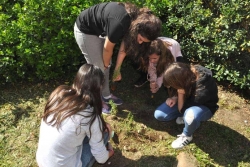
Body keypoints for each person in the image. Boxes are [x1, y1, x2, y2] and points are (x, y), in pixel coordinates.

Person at [74, 2, 162, 114]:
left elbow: (123, 50)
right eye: (140, 39)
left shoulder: (135, 22)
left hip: (100, 31)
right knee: (98, 69)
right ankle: (96, 101)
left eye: (143, 42)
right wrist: (105, 65)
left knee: (106, 64)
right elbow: (107, 49)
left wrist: (117, 69)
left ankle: (105, 95)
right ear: (137, 29)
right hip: (86, 31)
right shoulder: (120, 24)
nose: (140, 42)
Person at [36, 64, 114, 167]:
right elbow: (101, 158)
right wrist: (110, 153)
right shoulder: (89, 116)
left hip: (43, 161)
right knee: (105, 134)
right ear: (99, 87)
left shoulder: (60, 95)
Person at [154, 62, 219, 149]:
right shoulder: (186, 72)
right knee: (160, 114)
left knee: (190, 115)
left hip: (204, 107)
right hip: (187, 101)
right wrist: (174, 97)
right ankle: (186, 120)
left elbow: (182, 110)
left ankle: (187, 135)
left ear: (180, 82)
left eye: (174, 85)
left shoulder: (202, 90)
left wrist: (180, 94)